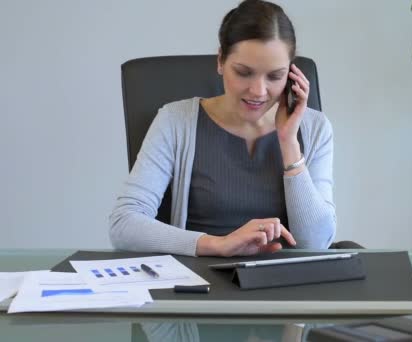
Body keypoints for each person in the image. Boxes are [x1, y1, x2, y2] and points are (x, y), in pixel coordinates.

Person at [109, 0, 336, 257]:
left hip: (283, 285)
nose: (258, 91)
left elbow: (316, 244)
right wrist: (219, 244)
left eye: (274, 76)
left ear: (291, 76)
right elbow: (123, 225)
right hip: (201, 282)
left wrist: (289, 143)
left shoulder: (314, 128)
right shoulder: (175, 121)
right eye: (243, 72)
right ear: (220, 61)